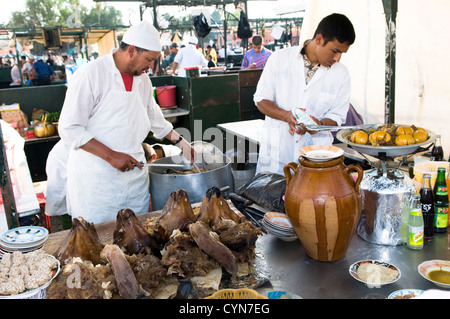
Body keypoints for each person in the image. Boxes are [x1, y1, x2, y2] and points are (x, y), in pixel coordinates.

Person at [45, 20, 196, 225]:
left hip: (133, 178)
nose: (151, 66)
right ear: (131, 50)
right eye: (149, 60)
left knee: (136, 238)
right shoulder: (92, 74)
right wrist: (111, 156)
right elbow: (69, 127)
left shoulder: (142, 80)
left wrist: (182, 142)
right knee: (97, 243)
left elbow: (154, 118)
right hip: (97, 182)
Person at [254, 13, 355, 175]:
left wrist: (319, 125)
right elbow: (261, 100)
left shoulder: (341, 74)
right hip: (277, 155)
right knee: (271, 197)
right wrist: (286, 116)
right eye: (335, 51)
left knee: (311, 199)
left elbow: (338, 115)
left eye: (342, 53)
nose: (337, 58)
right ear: (319, 39)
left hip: (316, 157)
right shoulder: (280, 59)